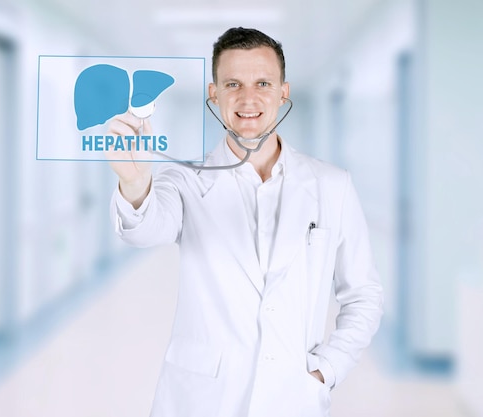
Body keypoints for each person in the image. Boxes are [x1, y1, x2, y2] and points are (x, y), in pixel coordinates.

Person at [106, 27, 383, 417]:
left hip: (292, 397)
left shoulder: (331, 185)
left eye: (263, 83)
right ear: (213, 93)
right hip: (200, 399)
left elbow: (364, 295)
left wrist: (326, 369)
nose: (248, 98)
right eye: (232, 83)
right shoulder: (186, 178)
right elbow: (148, 227)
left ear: (283, 92)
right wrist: (134, 182)